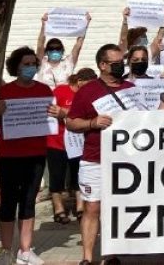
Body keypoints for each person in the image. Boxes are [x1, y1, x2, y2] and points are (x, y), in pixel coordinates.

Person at [66, 44, 134, 265]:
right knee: (92, 207)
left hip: (125, 160)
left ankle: (110, 255)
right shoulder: (87, 91)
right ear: (102, 65)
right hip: (94, 159)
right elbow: (71, 122)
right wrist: (92, 122)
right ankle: (87, 257)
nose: (120, 66)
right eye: (115, 63)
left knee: (116, 209)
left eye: (122, 62)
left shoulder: (131, 88)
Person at [0, 47, 55, 265]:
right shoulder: (4, 91)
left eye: (33, 64)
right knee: (8, 202)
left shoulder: (45, 90)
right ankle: (6, 250)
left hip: (36, 153)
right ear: (16, 66)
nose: (30, 68)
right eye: (26, 64)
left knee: (28, 202)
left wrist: (57, 114)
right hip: (8, 155)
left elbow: (52, 121)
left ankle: (25, 250)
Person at [47, 69, 96, 225]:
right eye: (87, 85)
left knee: (78, 177)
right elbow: (50, 110)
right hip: (57, 141)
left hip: (78, 143)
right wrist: (62, 113)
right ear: (79, 81)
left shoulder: (88, 95)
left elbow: (90, 115)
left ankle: (80, 208)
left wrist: (65, 113)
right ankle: (59, 209)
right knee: (57, 177)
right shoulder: (61, 91)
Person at [35, 12, 90, 89]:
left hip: (64, 99)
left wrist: (85, 24)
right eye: (51, 48)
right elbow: (40, 45)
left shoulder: (68, 63)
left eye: (58, 49)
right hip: (45, 99)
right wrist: (44, 25)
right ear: (47, 51)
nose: (55, 51)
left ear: (62, 51)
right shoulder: (41, 63)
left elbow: (78, 45)